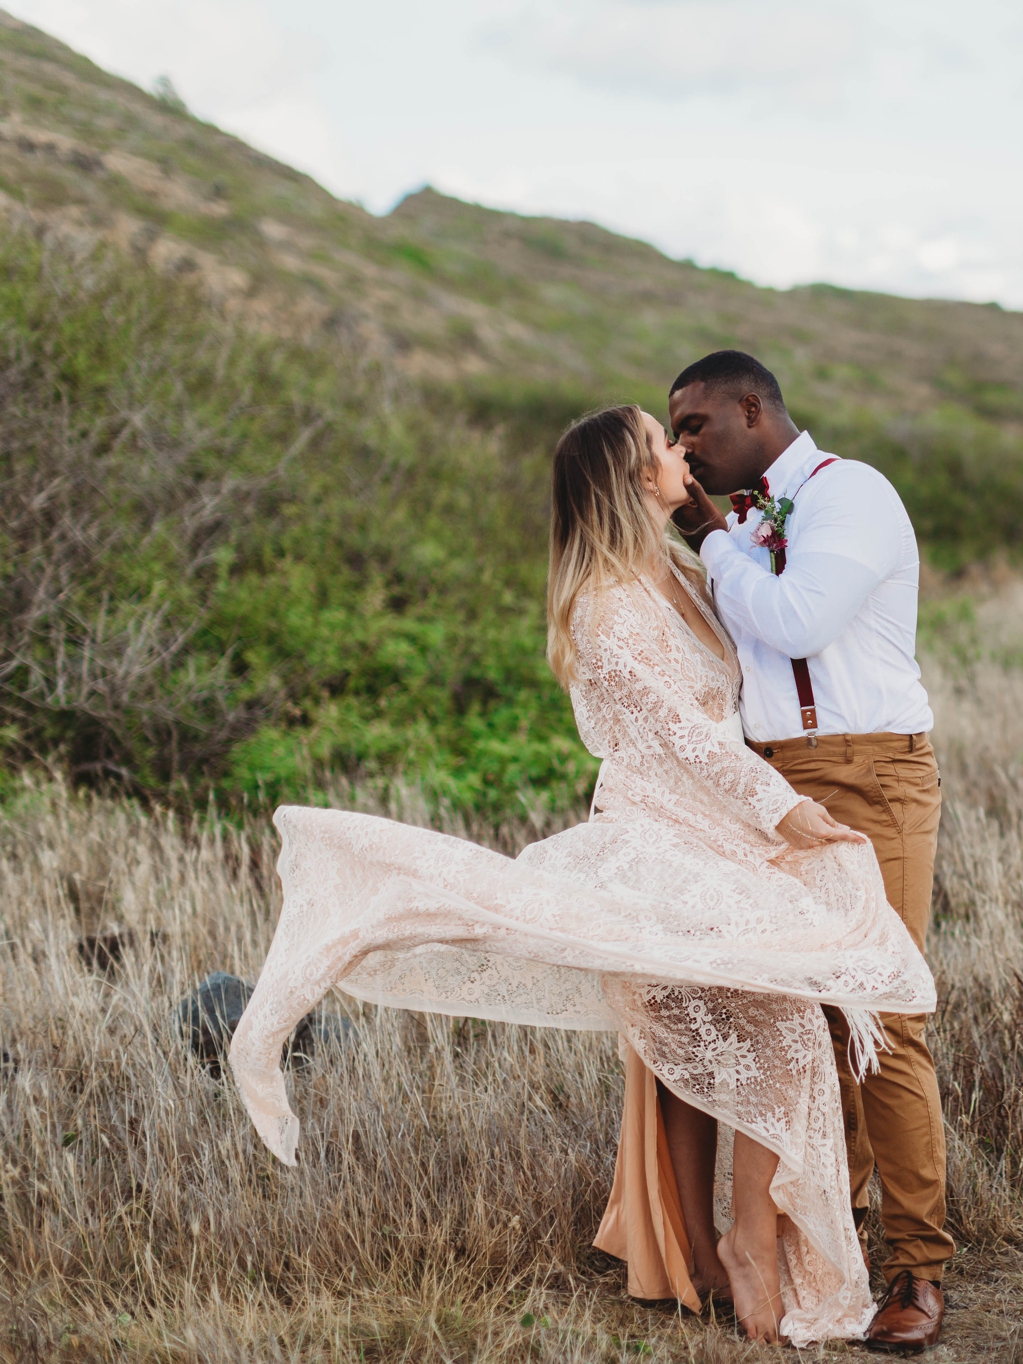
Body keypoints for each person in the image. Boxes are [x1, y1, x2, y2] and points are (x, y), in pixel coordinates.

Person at [227, 404, 933, 1348]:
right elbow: (676, 734)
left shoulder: (677, 571)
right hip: (657, 830)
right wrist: (786, 809)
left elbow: (749, 668)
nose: (682, 453)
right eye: (664, 442)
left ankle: (727, 1245)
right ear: (635, 477)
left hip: (717, 826)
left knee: (730, 1025)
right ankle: (740, 1246)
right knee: (759, 1015)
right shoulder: (603, 600)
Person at [668, 350, 951, 1353]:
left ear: (753, 407)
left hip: (870, 771)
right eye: (674, 434)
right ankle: (829, 1245)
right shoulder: (743, 527)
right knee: (811, 1022)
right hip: (772, 783)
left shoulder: (850, 496)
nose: (684, 446)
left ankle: (921, 1265)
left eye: (695, 425)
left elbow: (797, 619)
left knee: (882, 1013)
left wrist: (703, 528)